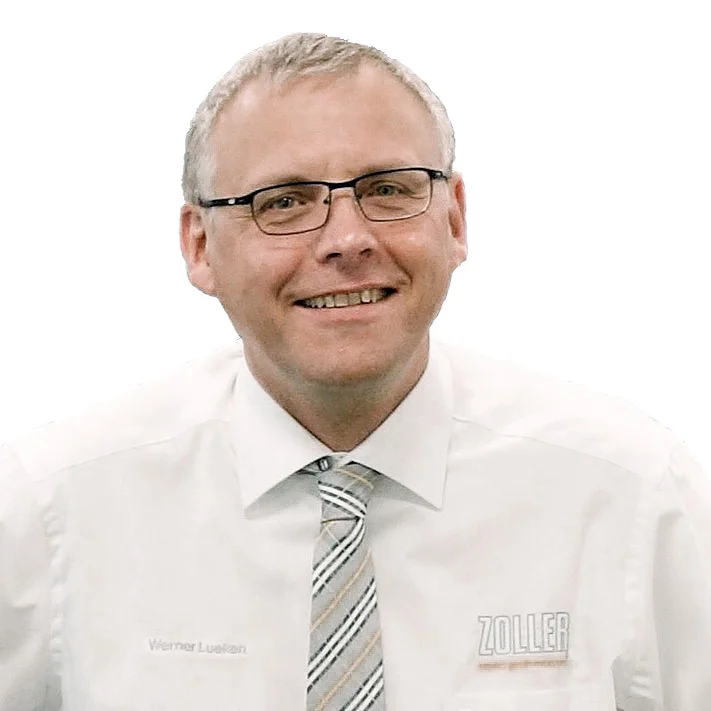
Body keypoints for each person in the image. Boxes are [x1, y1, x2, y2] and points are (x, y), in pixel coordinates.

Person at [1, 32, 709, 711]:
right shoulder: (52, 509)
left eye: (389, 189)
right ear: (199, 246)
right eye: (283, 202)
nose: (347, 239)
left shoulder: (630, 495)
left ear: (454, 220)